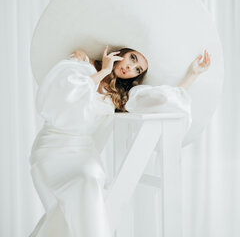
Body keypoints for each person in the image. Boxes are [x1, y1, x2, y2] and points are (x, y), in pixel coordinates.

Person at [29, 46, 210, 236]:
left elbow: (161, 99)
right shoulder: (83, 63)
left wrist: (192, 75)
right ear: (121, 53)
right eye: (132, 58)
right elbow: (59, 99)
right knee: (80, 195)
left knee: (89, 182)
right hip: (51, 149)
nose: (130, 68)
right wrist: (104, 71)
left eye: (138, 69)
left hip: (84, 153)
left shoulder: (121, 96)